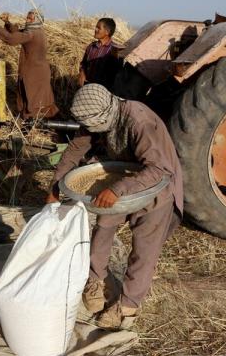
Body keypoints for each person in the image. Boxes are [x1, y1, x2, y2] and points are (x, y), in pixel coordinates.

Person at [45, 84, 183, 329]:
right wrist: (56, 188)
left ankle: (128, 305)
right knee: (104, 227)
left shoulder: (139, 122)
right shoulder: (100, 113)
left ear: (103, 116)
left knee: (144, 249)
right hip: (122, 177)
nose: (88, 130)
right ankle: (96, 280)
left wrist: (117, 190)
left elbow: (158, 169)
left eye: (90, 125)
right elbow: (75, 150)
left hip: (155, 187)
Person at [0, 10, 59, 119]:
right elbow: (17, 33)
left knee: (33, 102)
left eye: (30, 19)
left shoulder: (31, 33)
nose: (27, 20)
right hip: (37, 72)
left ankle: (33, 126)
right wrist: (7, 22)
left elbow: (11, 39)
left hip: (35, 74)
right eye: (27, 17)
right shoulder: (37, 31)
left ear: (37, 20)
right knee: (37, 100)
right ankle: (36, 124)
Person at [78, 17, 122, 90]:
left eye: (98, 28)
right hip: (86, 87)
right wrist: (82, 74)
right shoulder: (91, 46)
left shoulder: (114, 50)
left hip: (102, 91)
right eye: (96, 27)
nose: (95, 29)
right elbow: (83, 64)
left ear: (107, 32)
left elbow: (116, 73)